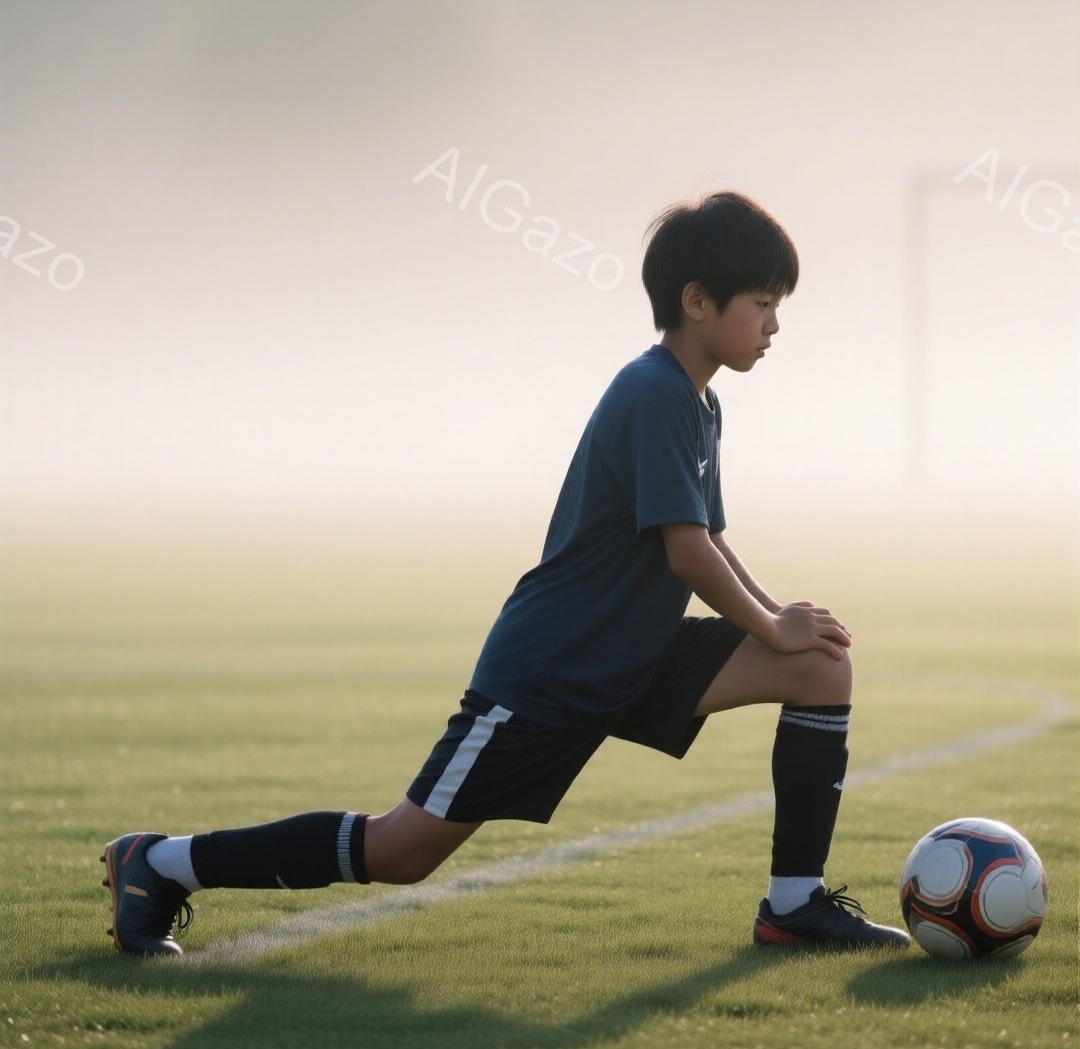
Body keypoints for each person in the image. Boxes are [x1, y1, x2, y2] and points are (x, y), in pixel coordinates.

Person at [101, 189, 908, 956]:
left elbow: (711, 539)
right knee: (401, 849)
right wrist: (768, 625)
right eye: (763, 304)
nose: (774, 325)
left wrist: (782, 622)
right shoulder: (654, 390)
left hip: (636, 656)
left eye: (778, 307)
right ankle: (160, 862)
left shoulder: (699, 401)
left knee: (820, 666)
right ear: (698, 302)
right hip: (555, 670)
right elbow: (685, 552)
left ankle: (794, 905)